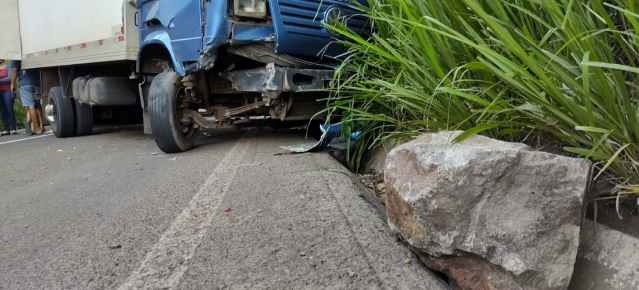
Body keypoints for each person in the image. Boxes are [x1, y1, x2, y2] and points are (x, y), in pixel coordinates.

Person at [11, 60, 43, 135]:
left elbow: (14, 70)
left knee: (30, 106)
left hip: (25, 83)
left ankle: (37, 128)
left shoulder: (17, 58)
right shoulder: (32, 55)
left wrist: (12, 84)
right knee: (37, 105)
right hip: (37, 82)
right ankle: (41, 126)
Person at [0, 59, 17, 135]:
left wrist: (0, 81)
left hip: (7, 90)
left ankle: (13, 128)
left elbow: (10, 78)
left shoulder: (8, 67)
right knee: (2, 110)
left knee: (9, 108)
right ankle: (6, 129)